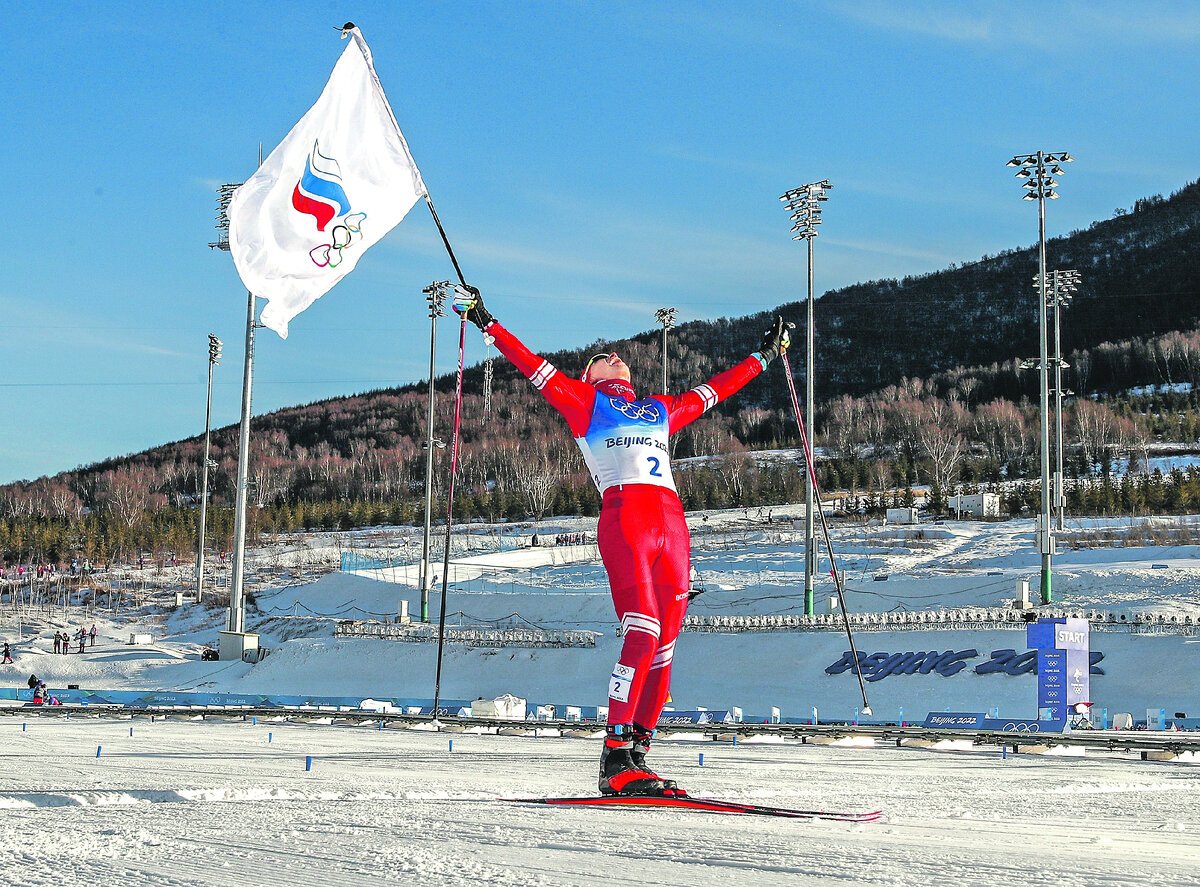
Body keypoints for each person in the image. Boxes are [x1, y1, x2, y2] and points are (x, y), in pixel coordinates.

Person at [454, 286, 790, 796]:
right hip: (626, 520)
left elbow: (716, 390)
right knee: (644, 632)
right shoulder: (584, 402)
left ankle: (638, 755)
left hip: (674, 526)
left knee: (666, 646)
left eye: (615, 354)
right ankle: (613, 755)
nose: (613, 354)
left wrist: (763, 357)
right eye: (600, 357)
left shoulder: (659, 407)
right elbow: (533, 367)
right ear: (589, 376)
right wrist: (487, 320)